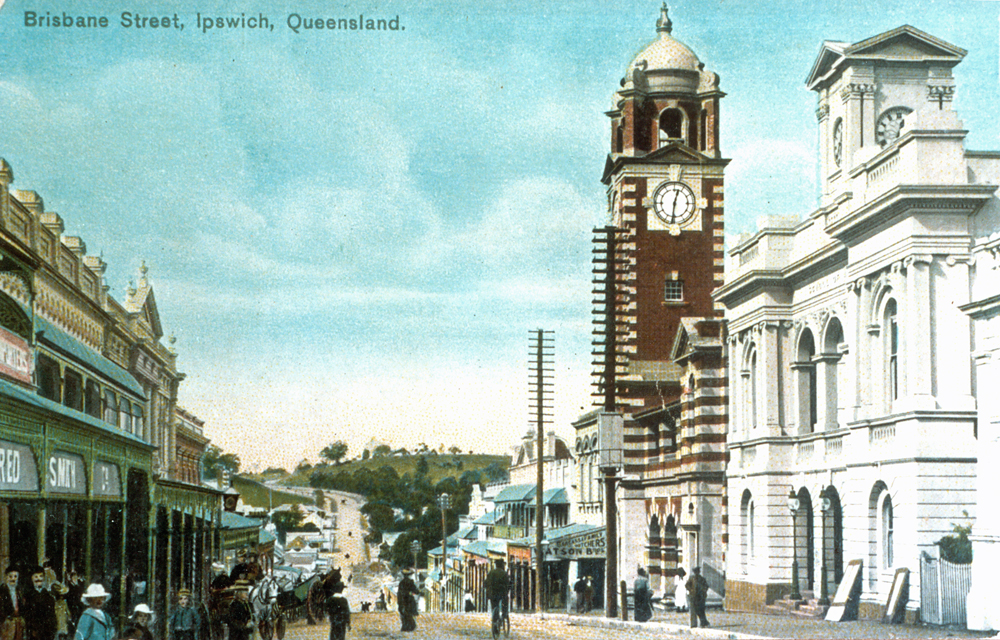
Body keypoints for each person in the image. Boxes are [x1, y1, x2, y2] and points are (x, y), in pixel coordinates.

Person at [26, 567, 57, 640]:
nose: (38, 579)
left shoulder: (49, 597)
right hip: (34, 634)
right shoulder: (28, 596)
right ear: (32, 578)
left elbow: (52, 616)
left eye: (40, 576)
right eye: (36, 576)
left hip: (47, 633)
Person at [483, 559, 509, 631]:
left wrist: (487, 589)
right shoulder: (504, 573)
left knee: (494, 606)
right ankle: (504, 615)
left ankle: (495, 619)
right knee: (505, 604)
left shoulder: (491, 572)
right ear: (502, 565)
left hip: (492, 594)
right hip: (502, 594)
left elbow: (485, 583)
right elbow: (508, 584)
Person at [0, 566, 25, 640]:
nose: (13, 579)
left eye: (15, 576)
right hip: (7, 624)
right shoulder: (2, 591)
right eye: (10, 576)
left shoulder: (19, 591)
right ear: (6, 577)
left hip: (18, 623)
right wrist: (5, 619)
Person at [323, 576, 350, 640]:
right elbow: (347, 612)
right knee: (341, 636)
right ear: (342, 590)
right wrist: (348, 623)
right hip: (342, 621)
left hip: (333, 620)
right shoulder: (344, 600)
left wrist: (328, 616)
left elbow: (326, 609)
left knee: (333, 635)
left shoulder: (330, 599)